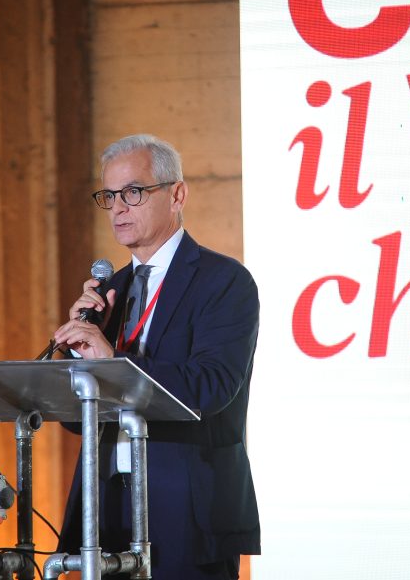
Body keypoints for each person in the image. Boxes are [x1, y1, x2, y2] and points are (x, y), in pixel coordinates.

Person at [53, 134, 260, 579]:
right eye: (109, 196)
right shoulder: (111, 292)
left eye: (133, 192)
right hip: (107, 512)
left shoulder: (224, 281)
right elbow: (76, 420)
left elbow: (211, 386)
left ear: (177, 194)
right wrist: (75, 358)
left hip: (187, 509)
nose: (118, 208)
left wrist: (113, 362)